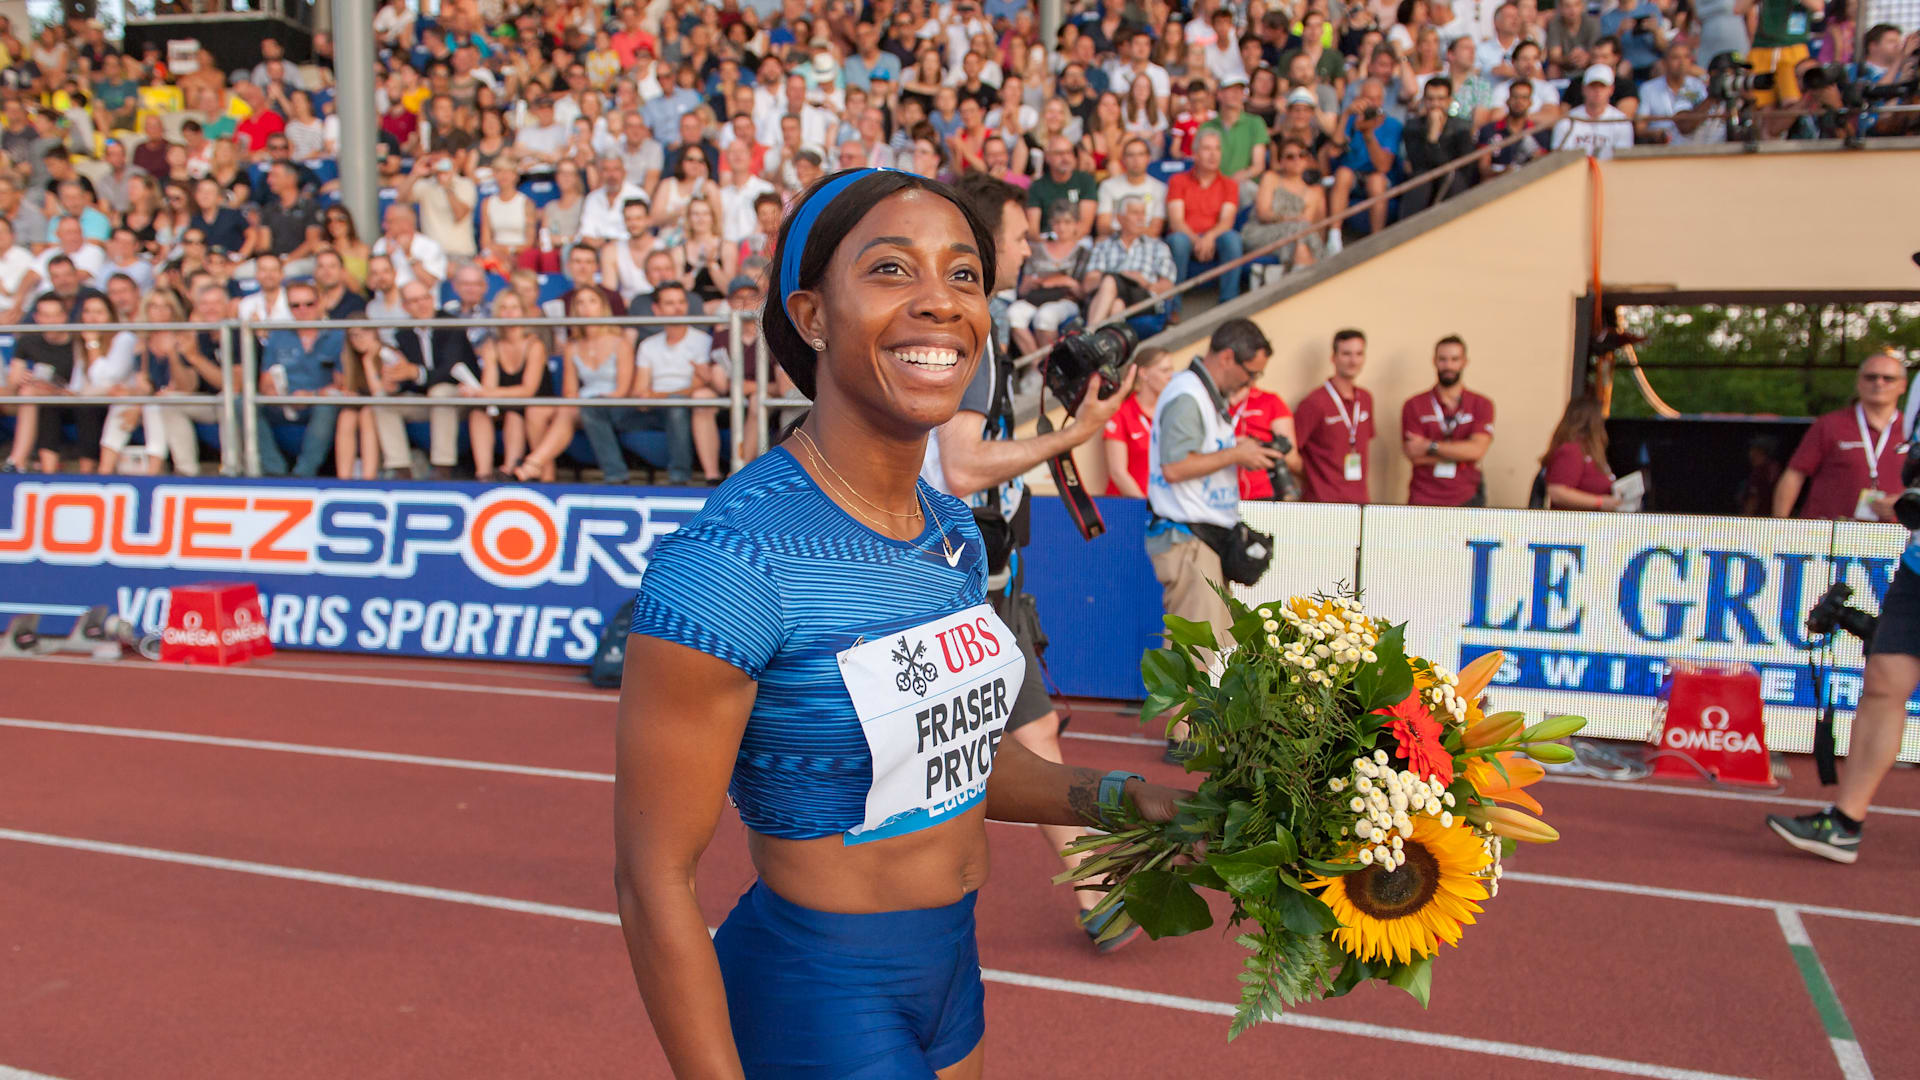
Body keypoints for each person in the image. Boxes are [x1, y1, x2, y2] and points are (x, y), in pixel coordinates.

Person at [615, 168, 1188, 1077]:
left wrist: (1123, 798)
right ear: (810, 315)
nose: (940, 303)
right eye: (890, 270)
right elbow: (652, 883)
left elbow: (952, 767)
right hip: (817, 991)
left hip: (952, 973)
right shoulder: (732, 563)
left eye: (964, 276)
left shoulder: (951, 530)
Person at [924, 171, 1144, 950]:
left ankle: (1096, 890)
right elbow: (960, 466)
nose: (1030, 248)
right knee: (1013, 740)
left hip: (977, 576)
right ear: (985, 244)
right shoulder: (970, 330)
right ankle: (1094, 889)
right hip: (956, 582)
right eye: (1020, 236)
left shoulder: (975, 331)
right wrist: (1071, 437)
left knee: (1033, 733)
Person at [1144, 317, 1285, 687]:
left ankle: (1195, 738)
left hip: (1204, 538)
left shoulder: (1203, 394)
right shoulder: (1188, 394)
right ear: (1226, 357)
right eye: (1250, 373)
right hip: (1188, 538)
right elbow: (1174, 467)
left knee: (1207, 649)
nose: (1251, 383)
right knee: (1194, 651)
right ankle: (1185, 743)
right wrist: (1237, 454)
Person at [1772, 352, 1908, 521]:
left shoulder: (1912, 430)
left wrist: (1904, 503)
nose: (1878, 383)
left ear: (1903, 385)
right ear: (1858, 382)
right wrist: (1779, 526)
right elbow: (1794, 475)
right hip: (1829, 535)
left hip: (1894, 537)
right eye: (1870, 377)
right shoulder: (1830, 424)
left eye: (1888, 378)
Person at [386, 280, 474, 479]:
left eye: (425, 298)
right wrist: (396, 380)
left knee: (440, 392)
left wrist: (416, 373)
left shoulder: (451, 325)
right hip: (425, 400)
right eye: (414, 301)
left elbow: (451, 370)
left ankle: (442, 469)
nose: (422, 304)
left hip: (460, 397)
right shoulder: (403, 334)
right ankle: (401, 469)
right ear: (405, 307)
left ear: (433, 299)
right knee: (383, 402)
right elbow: (408, 380)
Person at [260, 282, 345, 478]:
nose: (303, 310)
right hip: (283, 403)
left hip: (319, 401)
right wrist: (274, 393)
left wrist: (311, 396)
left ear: (320, 302)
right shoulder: (278, 336)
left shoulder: (337, 334)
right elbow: (264, 380)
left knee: (327, 405)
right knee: (241, 404)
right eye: (295, 305)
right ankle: (274, 470)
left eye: (309, 304)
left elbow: (344, 384)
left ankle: (303, 474)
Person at [463, 290, 550, 482]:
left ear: (523, 313)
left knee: (513, 413)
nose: (509, 313)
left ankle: (509, 470)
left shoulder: (535, 345)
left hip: (531, 404)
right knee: (478, 411)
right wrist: (479, 393)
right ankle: (483, 474)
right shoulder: (492, 345)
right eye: (503, 308)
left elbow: (528, 391)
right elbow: (489, 386)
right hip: (504, 401)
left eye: (514, 308)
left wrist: (486, 392)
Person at [1400, 335, 1496, 506]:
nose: (1448, 365)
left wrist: (1430, 446)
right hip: (1424, 497)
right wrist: (1462, 455)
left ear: (1464, 362)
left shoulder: (1482, 404)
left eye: (1454, 359)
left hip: (1467, 497)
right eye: (1443, 359)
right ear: (1434, 361)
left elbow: (1477, 451)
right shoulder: (1414, 404)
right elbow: (1414, 454)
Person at [1292, 328, 1376, 503]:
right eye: (1346, 354)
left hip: (1359, 502)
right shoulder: (1314, 402)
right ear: (1334, 357)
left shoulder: (1366, 399)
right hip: (1323, 502)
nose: (1353, 361)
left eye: (1359, 354)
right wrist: (1316, 478)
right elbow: (1291, 453)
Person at [1164, 130, 1244, 305]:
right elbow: (1176, 221)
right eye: (1207, 149)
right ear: (1195, 153)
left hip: (1215, 238)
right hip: (1186, 236)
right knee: (1178, 241)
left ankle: (1229, 302)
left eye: (1217, 149)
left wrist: (1209, 237)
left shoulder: (1229, 185)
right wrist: (1197, 241)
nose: (1213, 154)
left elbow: (1227, 221)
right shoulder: (1178, 180)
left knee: (1232, 239)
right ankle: (1172, 306)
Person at [1082, 195, 1178, 327]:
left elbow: (1169, 289)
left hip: (1143, 298)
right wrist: (1120, 278)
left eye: (1143, 213)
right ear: (1120, 218)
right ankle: (1105, 340)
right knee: (1117, 305)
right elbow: (1088, 285)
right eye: (1135, 213)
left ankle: (1090, 332)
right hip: (1111, 300)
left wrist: (1144, 283)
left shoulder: (1158, 247)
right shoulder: (1103, 246)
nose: (1141, 218)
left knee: (1111, 281)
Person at [1103, 347, 1181, 497]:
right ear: (1144, 373)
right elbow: (1118, 472)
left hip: (1166, 507)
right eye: (1164, 371)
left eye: (1171, 370)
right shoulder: (1121, 413)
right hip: (1129, 507)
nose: (1170, 376)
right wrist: (1146, 507)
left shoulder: (1173, 410)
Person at [1551, 66, 1635, 159]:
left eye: (1602, 86)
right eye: (1593, 86)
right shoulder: (1567, 121)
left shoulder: (1622, 121)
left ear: (1611, 90)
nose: (1597, 91)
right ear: (1583, 89)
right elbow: (1560, 157)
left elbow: (1623, 157)